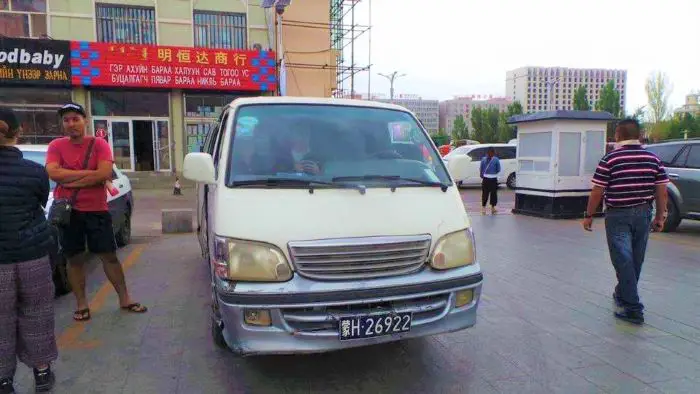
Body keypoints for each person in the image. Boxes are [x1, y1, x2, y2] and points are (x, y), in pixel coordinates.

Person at [45, 103, 147, 322]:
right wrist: (89, 175)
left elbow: (103, 173)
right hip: (69, 212)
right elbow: (53, 173)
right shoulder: (56, 146)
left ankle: (125, 298)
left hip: (97, 210)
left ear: (85, 120)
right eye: (66, 120)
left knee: (109, 257)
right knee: (74, 259)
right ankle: (82, 304)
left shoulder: (98, 144)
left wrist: (70, 176)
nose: (71, 124)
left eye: (75, 119)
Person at [582, 118, 669, 325]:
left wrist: (588, 215)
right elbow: (662, 191)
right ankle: (622, 293)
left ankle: (633, 308)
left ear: (618, 135)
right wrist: (660, 217)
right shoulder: (653, 159)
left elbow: (597, 191)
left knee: (622, 259)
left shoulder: (610, 159)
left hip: (618, 215)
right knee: (635, 259)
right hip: (643, 214)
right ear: (638, 135)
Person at [0, 108, 57, 393]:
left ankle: (4, 380)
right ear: (17, 131)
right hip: (32, 256)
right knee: (38, 313)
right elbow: (39, 201)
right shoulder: (35, 172)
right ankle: (42, 373)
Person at [480, 147, 501, 215]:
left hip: (488, 179)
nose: (490, 154)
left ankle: (489, 208)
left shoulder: (484, 159)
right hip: (491, 179)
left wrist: (482, 174)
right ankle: (487, 208)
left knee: (491, 194)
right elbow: (498, 169)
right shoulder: (495, 159)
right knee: (488, 194)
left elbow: (481, 169)